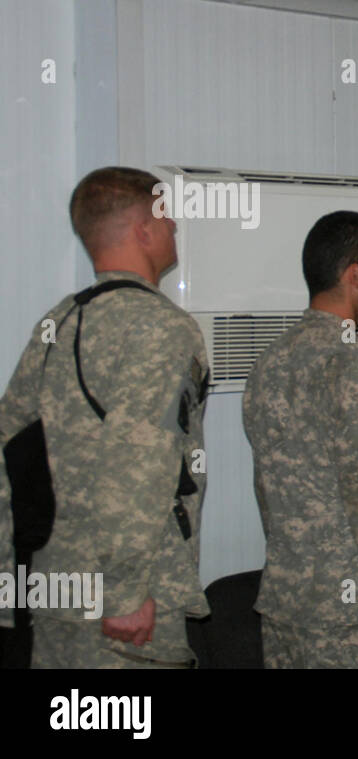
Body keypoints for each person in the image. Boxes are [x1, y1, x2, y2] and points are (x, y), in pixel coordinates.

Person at [0, 167, 209, 668]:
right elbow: (140, 460)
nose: (174, 226)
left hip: (55, 591)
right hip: (130, 607)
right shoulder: (163, 328)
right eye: (166, 217)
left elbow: (10, 449)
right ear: (143, 230)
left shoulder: (58, 321)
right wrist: (123, 593)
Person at [243, 211, 358, 668]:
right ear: (353, 275)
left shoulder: (269, 363)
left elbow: (269, 491)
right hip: (350, 616)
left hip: (287, 604)